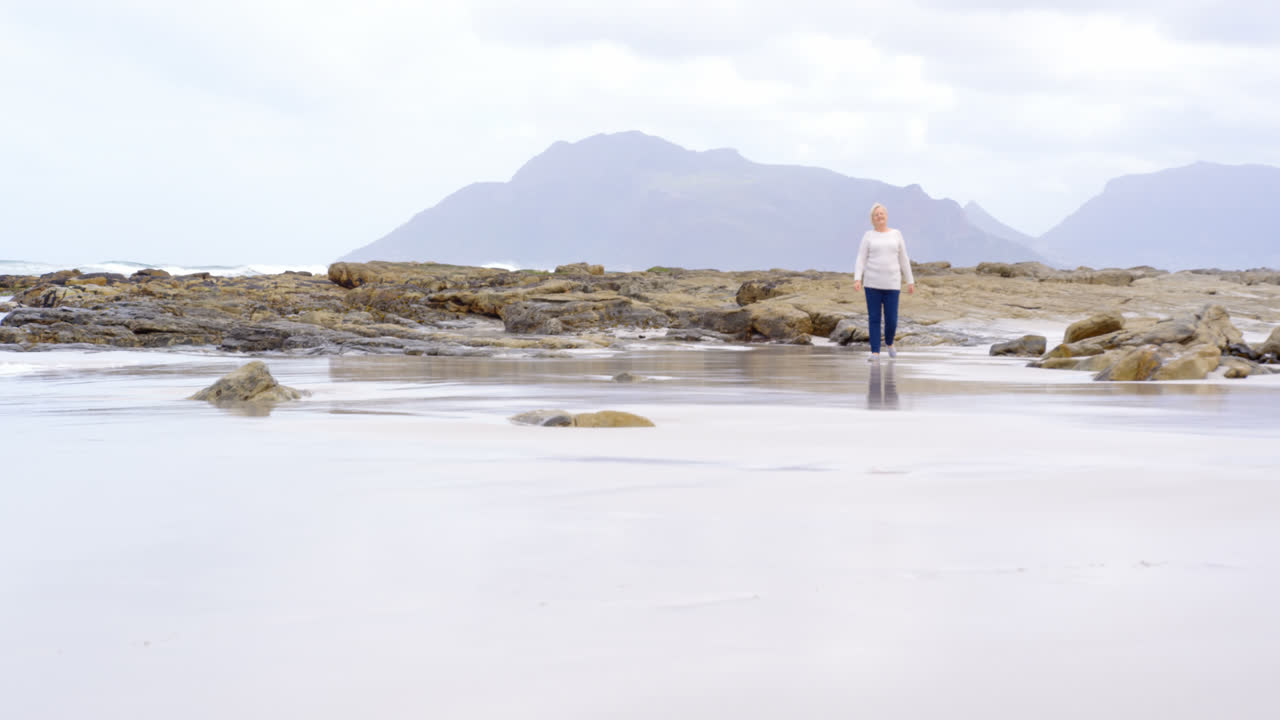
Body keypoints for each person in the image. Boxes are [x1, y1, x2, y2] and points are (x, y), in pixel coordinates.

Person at [853, 203, 915, 360]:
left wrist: (910, 280)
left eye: (882, 214)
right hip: (872, 284)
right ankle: (875, 352)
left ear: (886, 216)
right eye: (876, 215)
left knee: (891, 320)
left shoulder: (896, 234)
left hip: (892, 284)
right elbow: (861, 258)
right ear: (872, 219)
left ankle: (889, 342)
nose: (879, 216)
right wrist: (857, 278)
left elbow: (903, 258)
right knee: (874, 319)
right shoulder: (868, 236)